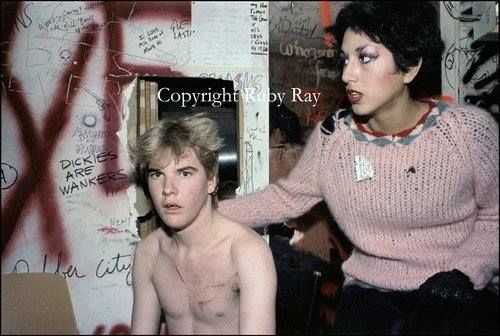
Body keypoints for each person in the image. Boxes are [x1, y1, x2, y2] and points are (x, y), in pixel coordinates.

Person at [218, 2, 499, 334]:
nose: (348, 74)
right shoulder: (335, 138)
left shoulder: (468, 130)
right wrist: (201, 213)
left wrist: (466, 273)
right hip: (371, 301)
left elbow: (494, 215)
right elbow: (286, 199)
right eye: (345, 60)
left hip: (457, 297)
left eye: (365, 58)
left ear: (410, 67)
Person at [129, 113, 277, 335]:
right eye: (157, 174)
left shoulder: (247, 252)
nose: (168, 189)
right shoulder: (149, 252)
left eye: (184, 173)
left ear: (211, 180)